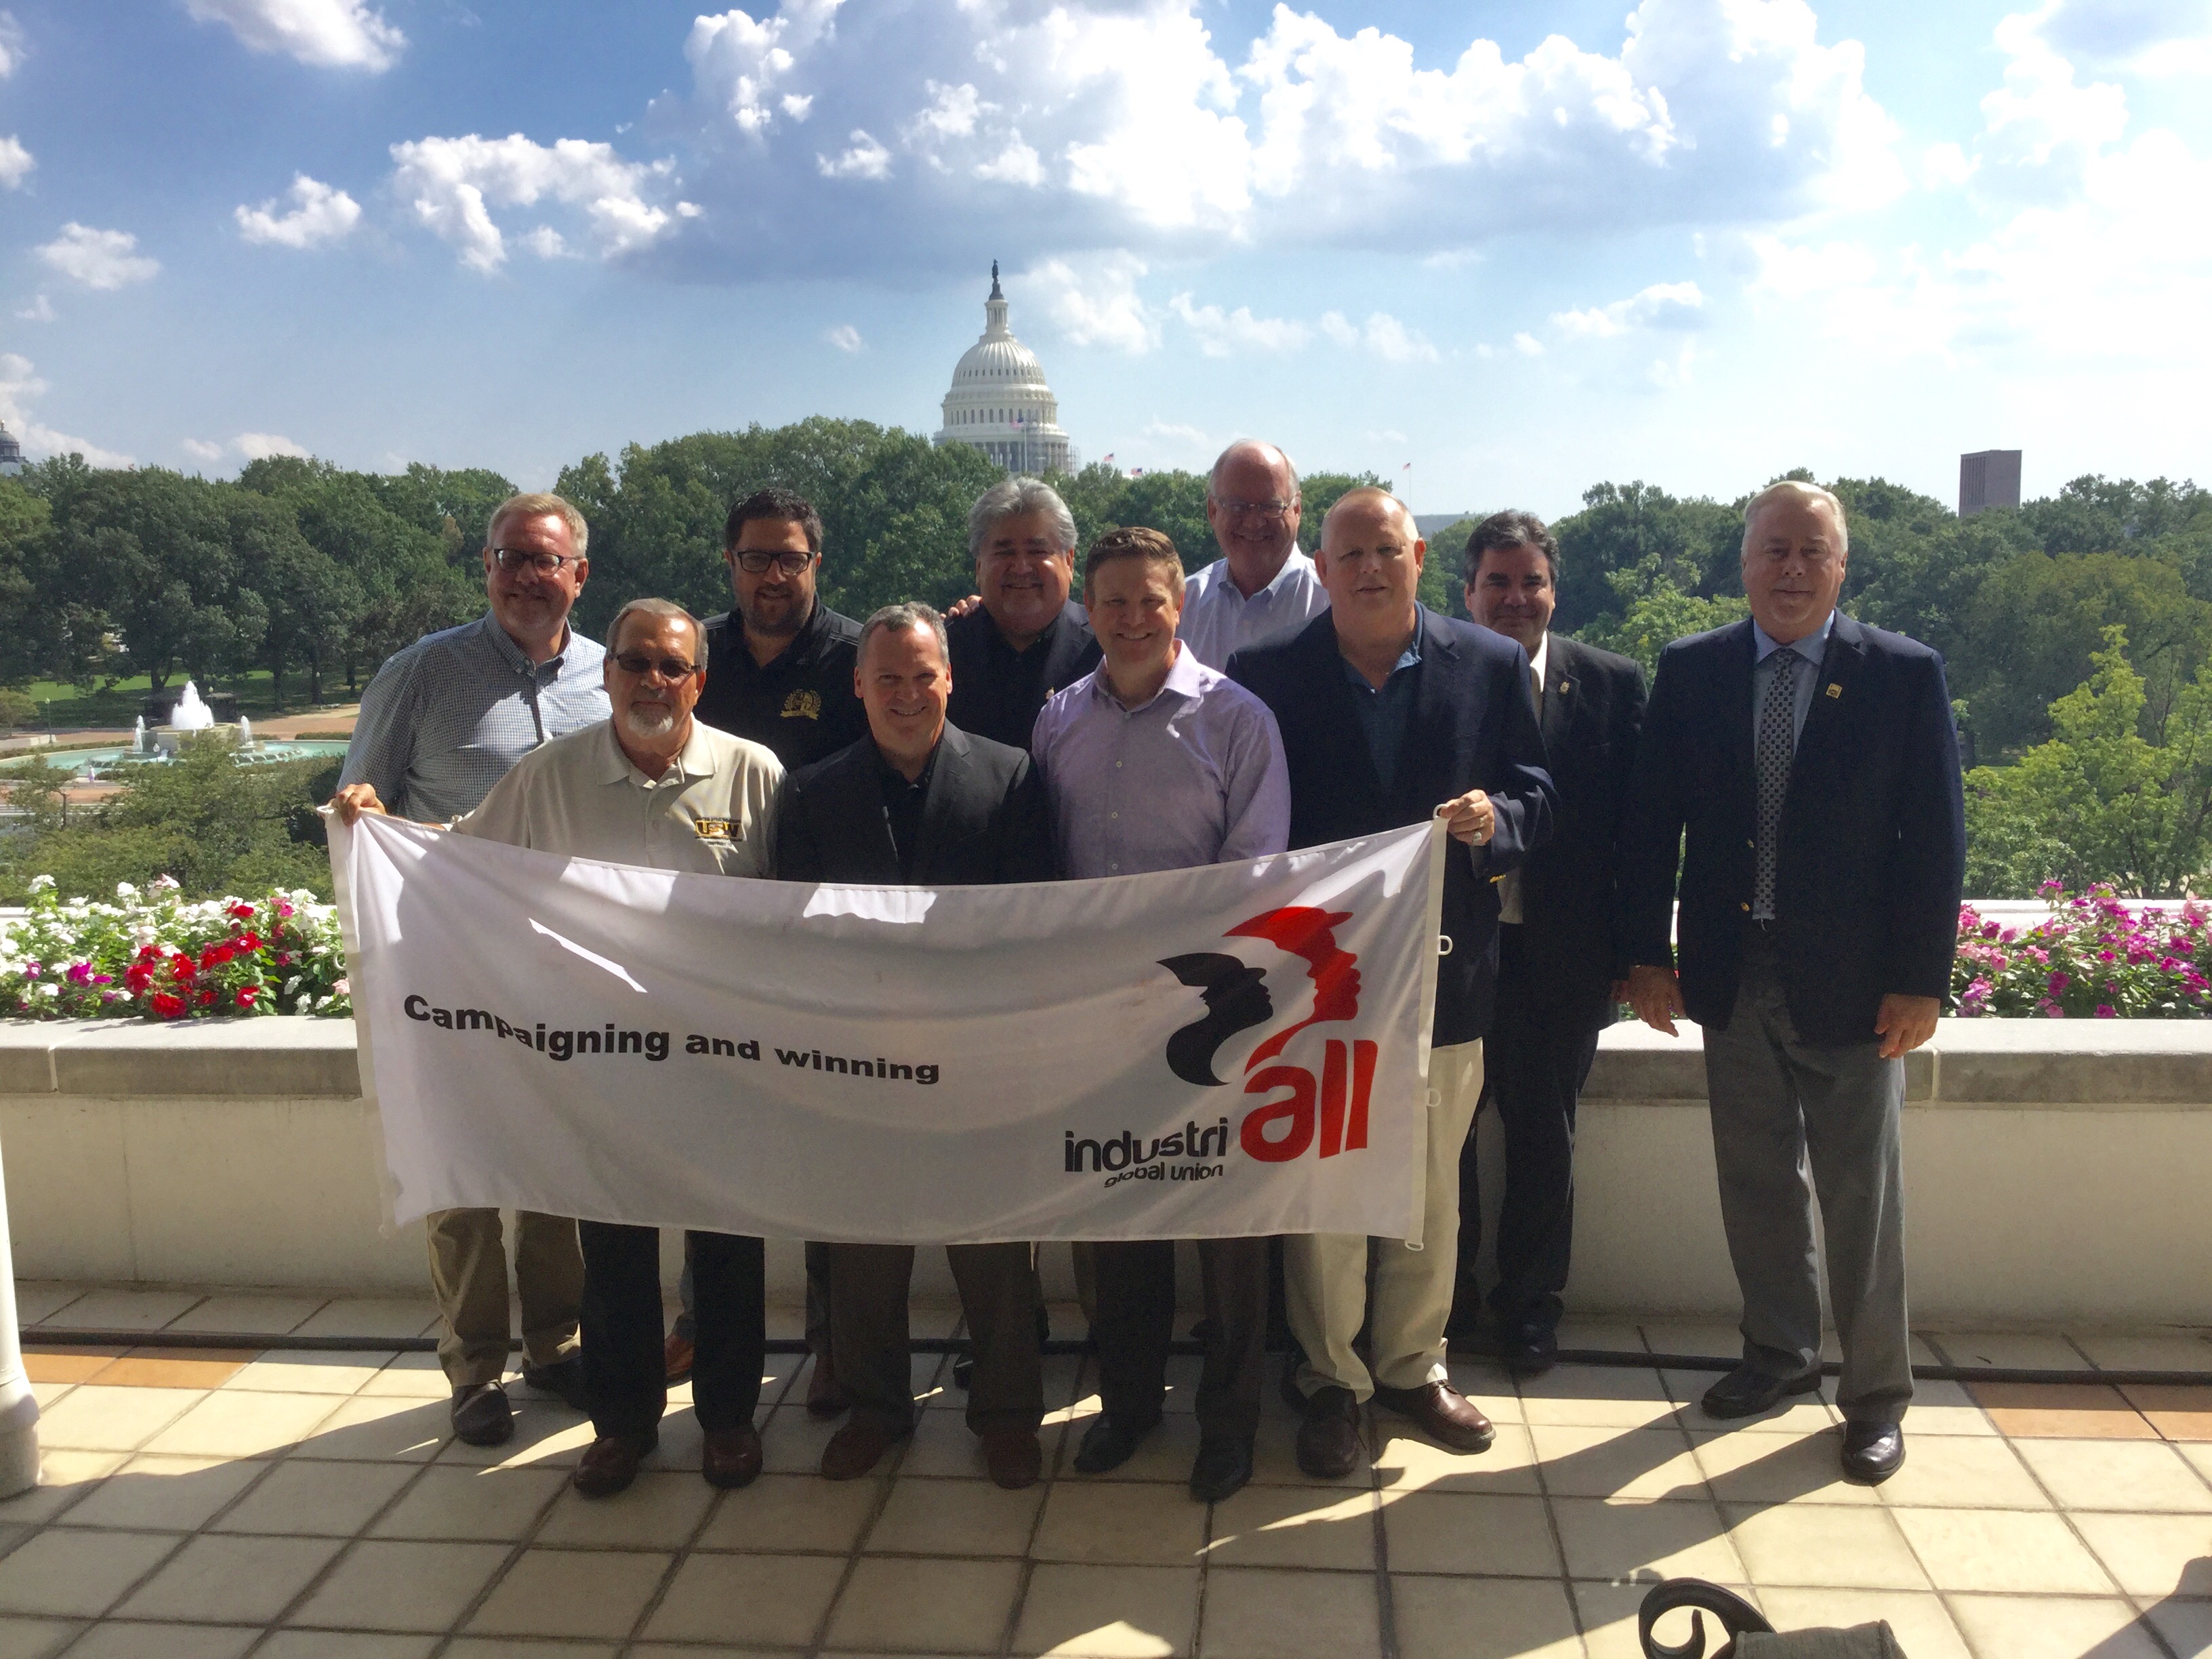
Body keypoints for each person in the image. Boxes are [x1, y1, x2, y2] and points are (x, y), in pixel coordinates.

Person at [335, 600, 785, 1497]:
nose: (652, 681)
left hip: (722, 1064)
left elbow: (797, 912)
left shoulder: (754, 772)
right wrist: (381, 827)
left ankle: (729, 1420)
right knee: (613, 1255)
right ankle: (623, 1427)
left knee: (728, 1253)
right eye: (634, 663)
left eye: (671, 666)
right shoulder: (548, 776)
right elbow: (457, 862)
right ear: (607, 674)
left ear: (699, 680)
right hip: (601, 1065)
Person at [1618, 479, 1963, 1486]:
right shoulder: (1693, 670)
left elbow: (1934, 836)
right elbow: (1650, 825)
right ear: (1745, 563)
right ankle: (1778, 1353)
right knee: (1757, 1181)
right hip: (1729, 973)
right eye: (1775, 549)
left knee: (1863, 1197)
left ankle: (1876, 1398)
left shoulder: (1902, 674)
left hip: (1856, 986)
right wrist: (1646, 957)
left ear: (1842, 566)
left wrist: (1920, 980)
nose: (1793, 569)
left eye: (1814, 551)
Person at [1228, 488, 1555, 1479]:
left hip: (1446, 974)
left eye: (1386, 550)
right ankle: (1332, 1379)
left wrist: (1497, 820)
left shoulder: (1490, 664)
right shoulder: (1266, 673)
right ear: (1322, 569)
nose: (1369, 568)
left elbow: (1538, 795)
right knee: (1325, 1182)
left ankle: (1413, 1366)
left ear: (1418, 557)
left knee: (1429, 1188)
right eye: (1350, 554)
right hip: (1315, 981)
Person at [335, 491, 609, 1448]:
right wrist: (359, 809)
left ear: (580, 574)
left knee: (555, 1172)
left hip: (561, 970)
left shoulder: (611, 678)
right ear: (487, 568)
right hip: (445, 967)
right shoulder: (421, 673)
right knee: (459, 1178)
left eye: (546, 560)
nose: (527, 577)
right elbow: (357, 801)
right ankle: (475, 1370)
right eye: (509, 558)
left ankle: (556, 1346)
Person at [1031, 527, 1290, 1503]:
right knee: (1116, 1217)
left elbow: (1256, 871)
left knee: (1229, 1227)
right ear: (1088, 611)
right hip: (1097, 1020)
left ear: (1181, 605)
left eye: (1151, 600)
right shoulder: (1058, 719)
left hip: (1212, 1017)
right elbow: (1045, 869)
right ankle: (1129, 1405)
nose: (1134, 619)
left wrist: (1166, 971)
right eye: (1115, 602)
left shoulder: (1239, 718)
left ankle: (1229, 1424)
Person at [775, 602, 1054, 1490]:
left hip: (979, 1059)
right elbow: (795, 939)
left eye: (922, 676)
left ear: (950, 679)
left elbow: (1032, 924)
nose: (906, 694)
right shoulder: (811, 792)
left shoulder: (1011, 775)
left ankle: (1007, 1416)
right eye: (887, 678)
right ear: (858, 685)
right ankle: (875, 1412)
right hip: (860, 1061)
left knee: (996, 1247)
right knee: (864, 1247)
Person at [682, 485, 867, 1401]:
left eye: (790, 558)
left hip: (825, 937)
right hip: (712, 944)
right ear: (731, 563)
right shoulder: (695, 655)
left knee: (831, 1151)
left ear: (815, 563)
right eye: (756, 557)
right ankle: (703, 1328)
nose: (772, 575)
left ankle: (835, 1342)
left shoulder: (854, 656)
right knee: (716, 1149)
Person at [1451, 512, 1646, 1374]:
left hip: (1562, 955)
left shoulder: (1610, 683)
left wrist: (1637, 953)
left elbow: (1641, 833)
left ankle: (1530, 1310)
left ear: (1554, 592)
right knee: (1447, 1139)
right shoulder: (1442, 675)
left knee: (1545, 1139)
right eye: (1497, 581)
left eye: (1531, 581)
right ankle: (1445, 1303)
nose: (1515, 597)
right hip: (1457, 950)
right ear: (1467, 592)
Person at [946, 476, 1101, 752]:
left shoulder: (1106, 651)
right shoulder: (943, 654)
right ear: (979, 566)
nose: (1021, 567)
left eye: (1037, 551)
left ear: (1069, 561)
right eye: (1004, 552)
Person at [1177, 440, 1330, 670]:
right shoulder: (1183, 606)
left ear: (1297, 510)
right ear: (1213, 511)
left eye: (1270, 507)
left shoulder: (1333, 602)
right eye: (1237, 506)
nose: (1254, 522)